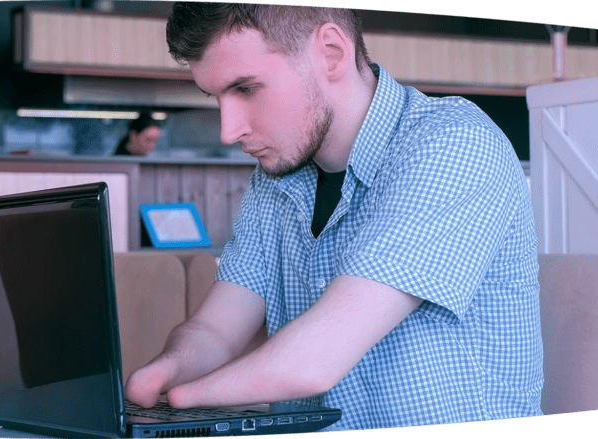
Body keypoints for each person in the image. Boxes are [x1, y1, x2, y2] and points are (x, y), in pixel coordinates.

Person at [124, 2, 542, 431]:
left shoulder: (453, 144)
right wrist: (161, 374)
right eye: (217, 97)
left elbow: (314, 360)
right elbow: (215, 330)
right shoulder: (275, 179)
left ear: (330, 53)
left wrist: (177, 404)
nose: (229, 130)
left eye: (246, 89)